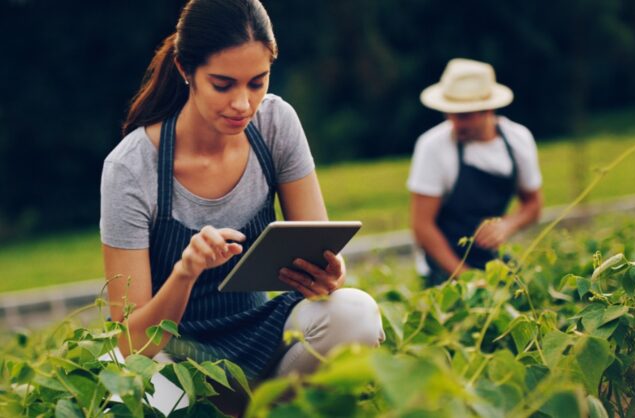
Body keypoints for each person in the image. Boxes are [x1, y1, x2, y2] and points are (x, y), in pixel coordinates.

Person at [100, 0, 384, 398]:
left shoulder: (275, 124)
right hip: (176, 358)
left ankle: (267, 405)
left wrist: (330, 277)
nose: (242, 104)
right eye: (223, 84)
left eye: (257, 82)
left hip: (261, 334)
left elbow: (317, 246)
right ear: (185, 70)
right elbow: (132, 343)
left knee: (356, 314)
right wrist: (187, 270)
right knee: (126, 383)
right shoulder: (131, 169)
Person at [407, 58, 543, 287]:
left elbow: (533, 204)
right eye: (450, 114)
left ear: (487, 109)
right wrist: (467, 278)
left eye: (464, 116)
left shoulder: (518, 140)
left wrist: (507, 225)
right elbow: (422, 227)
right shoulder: (433, 146)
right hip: (443, 265)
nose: (455, 123)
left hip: (491, 261)